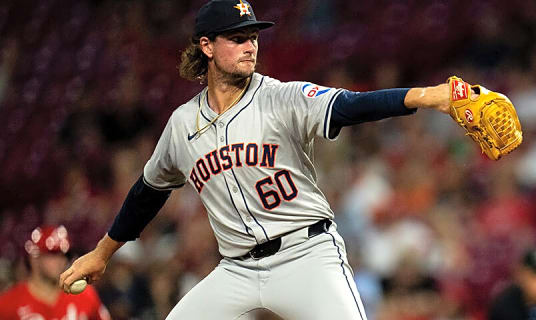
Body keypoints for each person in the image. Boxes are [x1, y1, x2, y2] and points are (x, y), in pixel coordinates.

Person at [58, 0, 465, 319]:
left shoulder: (279, 97)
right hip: (236, 269)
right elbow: (149, 191)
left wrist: (428, 96)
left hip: (306, 255)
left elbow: (349, 106)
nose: (250, 45)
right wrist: (102, 253)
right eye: (237, 38)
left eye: (252, 36)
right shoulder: (182, 124)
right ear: (207, 46)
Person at [0, 225, 111, 320]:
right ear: (34, 259)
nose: (60, 261)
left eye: (63, 255)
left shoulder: (85, 295)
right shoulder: (9, 303)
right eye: (52, 255)